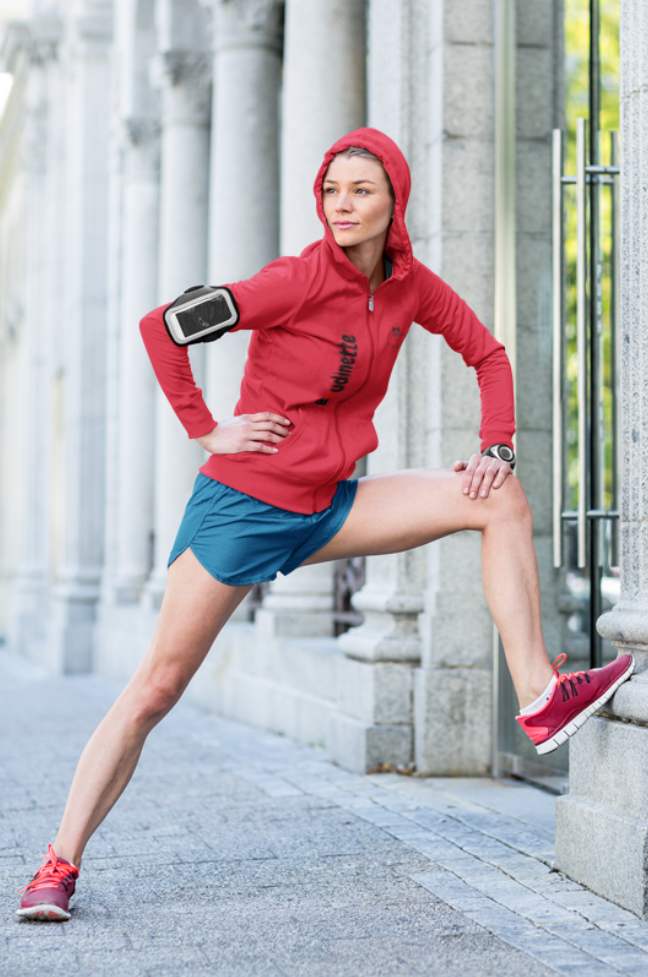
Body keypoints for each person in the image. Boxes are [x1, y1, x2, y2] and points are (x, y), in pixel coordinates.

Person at [16, 128, 634, 922]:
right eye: (332, 190)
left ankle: (541, 694)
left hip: (329, 504)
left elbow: (489, 355)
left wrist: (496, 445)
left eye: (360, 191)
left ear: (392, 204)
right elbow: (160, 327)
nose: (341, 205)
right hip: (243, 506)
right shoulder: (292, 281)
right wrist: (208, 429)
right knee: (156, 687)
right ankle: (59, 865)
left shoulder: (409, 287)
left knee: (496, 496)